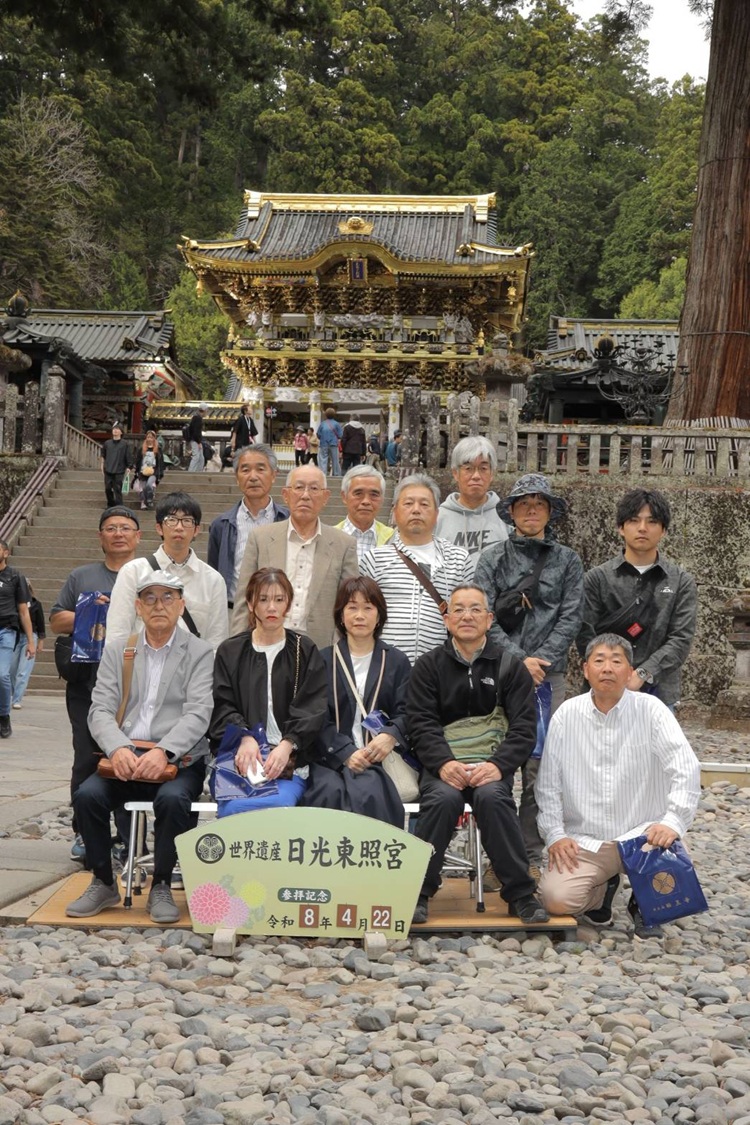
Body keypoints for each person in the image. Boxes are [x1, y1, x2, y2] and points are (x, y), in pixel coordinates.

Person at [66, 572, 213, 922]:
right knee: (87, 796)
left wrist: (164, 751)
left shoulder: (200, 652)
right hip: (127, 760)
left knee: (174, 800)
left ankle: (161, 884)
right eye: (149, 598)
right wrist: (118, 748)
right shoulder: (119, 650)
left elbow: (199, 712)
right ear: (137, 606)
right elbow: (100, 709)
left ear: (181, 605)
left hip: (177, 761)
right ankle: (103, 880)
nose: (158, 605)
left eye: (167, 597)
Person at [536, 633, 701, 939]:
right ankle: (603, 889)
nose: (607, 668)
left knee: (672, 875)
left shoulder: (652, 710)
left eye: (616, 661)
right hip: (587, 839)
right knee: (555, 900)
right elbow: (547, 784)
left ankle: (643, 902)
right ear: (585, 670)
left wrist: (673, 821)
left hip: (644, 835)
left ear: (630, 671)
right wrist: (556, 834)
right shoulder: (566, 715)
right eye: (599, 661)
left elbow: (685, 766)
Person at [407, 585, 548, 926]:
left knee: (494, 799)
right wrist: (444, 764)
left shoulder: (510, 667)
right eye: (458, 609)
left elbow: (523, 729)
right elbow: (420, 724)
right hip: (443, 767)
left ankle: (520, 895)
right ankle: (417, 892)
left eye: (475, 609)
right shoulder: (427, 666)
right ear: (446, 619)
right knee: (441, 800)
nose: (466, 616)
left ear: (489, 619)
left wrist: (498, 766)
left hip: (491, 766)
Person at [474, 473, 584, 874]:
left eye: (539, 504)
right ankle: (498, 857)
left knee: (541, 769)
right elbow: (483, 615)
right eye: (524, 504)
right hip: (499, 673)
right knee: (496, 764)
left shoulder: (568, 560)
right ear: (512, 512)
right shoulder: (492, 559)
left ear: (550, 512)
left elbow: (571, 616)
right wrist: (521, 660)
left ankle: (530, 854)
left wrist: (542, 660)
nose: (532, 511)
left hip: (549, 678)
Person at [50, 507, 142, 860]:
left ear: (138, 536)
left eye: (125, 528)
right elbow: (57, 620)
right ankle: (86, 834)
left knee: (130, 757)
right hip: (87, 682)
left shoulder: (148, 574)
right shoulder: (81, 576)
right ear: (100, 536)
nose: (118, 533)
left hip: (136, 682)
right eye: (111, 528)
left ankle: (130, 838)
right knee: (86, 758)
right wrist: (96, 611)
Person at [210, 568, 327, 816]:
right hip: (240, 760)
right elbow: (222, 704)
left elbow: (313, 708)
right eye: (263, 599)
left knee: (276, 808)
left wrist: (288, 744)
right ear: (250, 604)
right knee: (234, 809)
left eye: (279, 599)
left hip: (288, 763)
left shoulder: (304, 650)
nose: (271, 607)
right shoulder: (230, 651)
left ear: (288, 604)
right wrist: (245, 736)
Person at [302, 576, 412, 828]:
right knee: (327, 792)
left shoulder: (396, 661)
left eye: (368, 608)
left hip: (380, 757)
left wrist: (390, 736)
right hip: (330, 758)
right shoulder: (323, 660)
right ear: (341, 616)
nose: (360, 615)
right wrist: (345, 753)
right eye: (352, 607)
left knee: (371, 791)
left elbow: (407, 711)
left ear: (379, 615)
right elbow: (315, 716)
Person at [577, 488, 697, 709]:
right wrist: (615, 670)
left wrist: (642, 673)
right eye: (634, 520)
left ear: (664, 530)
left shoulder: (681, 582)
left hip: (659, 692)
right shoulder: (597, 579)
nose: (642, 528)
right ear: (621, 528)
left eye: (652, 521)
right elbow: (585, 634)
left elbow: (681, 639)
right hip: (604, 690)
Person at [230, 464, 359, 650]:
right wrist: (237, 647)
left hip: (319, 648)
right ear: (286, 494)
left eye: (314, 488)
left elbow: (348, 604)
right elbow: (244, 598)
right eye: (299, 487)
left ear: (325, 497)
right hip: (265, 642)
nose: (305, 495)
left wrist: (337, 650)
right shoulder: (261, 538)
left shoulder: (344, 544)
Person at [360, 474, 473, 664]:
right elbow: (362, 616)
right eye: (408, 503)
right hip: (386, 667)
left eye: (424, 504)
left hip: (441, 669)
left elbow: (469, 615)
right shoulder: (374, 559)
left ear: (437, 513)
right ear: (395, 511)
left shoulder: (459, 559)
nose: (416, 510)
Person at [105, 491, 228, 653]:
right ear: (159, 528)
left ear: (196, 530)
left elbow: (217, 640)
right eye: (171, 520)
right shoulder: (133, 572)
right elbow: (117, 633)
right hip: (141, 664)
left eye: (187, 521)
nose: (179, 527)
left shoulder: (213, 580)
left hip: (192, 667)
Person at [207, 444, 289, 612]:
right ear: (237, 477)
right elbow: (214, 573)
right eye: (245, 470)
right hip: (234, 612)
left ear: (274, 475)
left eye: (260, 469)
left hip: (280, 613)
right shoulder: (221, 525)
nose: (253, 477)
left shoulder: (288, 520)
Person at [436, 435, 508, 568]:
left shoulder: (506, 517)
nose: (476, 476)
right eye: (468, 469)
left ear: (492, 473)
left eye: (483, 468)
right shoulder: (438, 518)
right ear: (455, 473)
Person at [0, 541, 36, 738]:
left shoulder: (15, 576)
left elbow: (23, 611)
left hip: (6, 630)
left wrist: (31, 641)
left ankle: (4, 715)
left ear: (5, 553)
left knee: (2, 675)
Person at [335, 465, 394, 563]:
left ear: (382, 499)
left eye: (374, 495)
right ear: (344, 497)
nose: (366, 501)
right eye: (358, 494)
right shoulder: (328, 538)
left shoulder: (393, 539)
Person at [10, 583, 44, 709]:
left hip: (30, 638)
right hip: (15, 636)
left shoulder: (36, 604)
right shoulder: (12, 603)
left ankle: (17, 699)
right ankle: (13, 694)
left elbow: (40, 622)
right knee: (11, 669)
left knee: (23, 671)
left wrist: (40, 640)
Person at [100, 424, 134, 508]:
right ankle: (110, 504)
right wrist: (102, 465)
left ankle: (119, 505)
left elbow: (128, 456)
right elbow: (103, 455)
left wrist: (129, 466)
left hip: (119, 469)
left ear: (121, 432)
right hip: (108, 468)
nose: (115, 430)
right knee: (107, 488)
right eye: (114, 429)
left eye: (117, 429)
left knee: (117, 488)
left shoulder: (125, 444)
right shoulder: (107, 443)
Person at [134, 430, 164, 511]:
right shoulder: (141, 449)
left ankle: (150, 499)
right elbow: (138, 461)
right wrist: (136, 472)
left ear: (154, 438)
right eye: (148, 437)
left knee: (149, 485)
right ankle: (144, 503)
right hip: (143, 471)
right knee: (143, 488)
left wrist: (160, 474)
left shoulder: (158, 450)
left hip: (153, 472)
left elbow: (160, 462)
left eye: (151, 437)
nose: (149, 439)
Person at [317, 407, 343, 477]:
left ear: (326, 415)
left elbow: (318, 434)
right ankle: (336, 474)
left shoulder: (322, 424)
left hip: (323, 444)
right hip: (333, 444)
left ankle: (323, 474)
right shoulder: (336, 424)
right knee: (335, 460)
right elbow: (340, 435)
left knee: (323, 459)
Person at [188, 403, 208, 472]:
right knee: (196, 457)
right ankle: (191, 472)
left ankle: (199, 471)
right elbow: (196, 432)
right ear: (204, 410)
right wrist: (199, 442)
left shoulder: (196, 417)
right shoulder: (197, 418)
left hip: (196, 440)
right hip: (195, 440)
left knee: (201, 458)